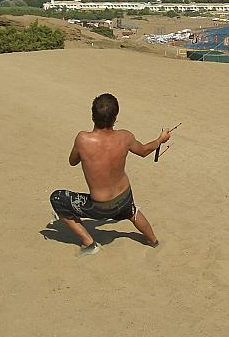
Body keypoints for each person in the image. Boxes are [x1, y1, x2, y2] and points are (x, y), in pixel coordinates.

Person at [50, 93, 172, 256]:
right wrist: (160, 140)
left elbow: (72, 161)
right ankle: (153, 240)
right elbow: (143, 151)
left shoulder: (82, 139)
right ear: (115, 118)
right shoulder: (125, 137)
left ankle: (89, 243)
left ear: (93, 116)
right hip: (125, 197)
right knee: (132, 211)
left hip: (100, 207)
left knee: (57, 198)